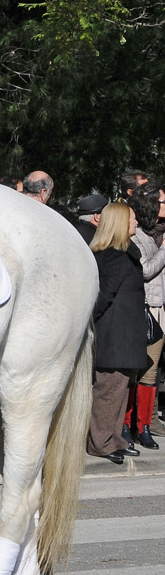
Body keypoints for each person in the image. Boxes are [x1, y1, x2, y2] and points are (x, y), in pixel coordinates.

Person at [87, 202, 147, 465]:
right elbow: (100, 300)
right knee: (108, 391)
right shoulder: (112, 256)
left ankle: (114, 438)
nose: (137, 223)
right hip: (113, 338)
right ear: (120, 223)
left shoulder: (123, 254)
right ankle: (100, 442)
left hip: (125, 337)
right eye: (132, 219)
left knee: (119, 390)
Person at [124, 184, 165, 451]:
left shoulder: (159, 233)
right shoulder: (135, 234)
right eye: (162, 201)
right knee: (132, 372)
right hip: (145, 309)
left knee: (150, 374)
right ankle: (126, 425)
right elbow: (146, 270)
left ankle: (145, 426)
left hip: (161, 308)